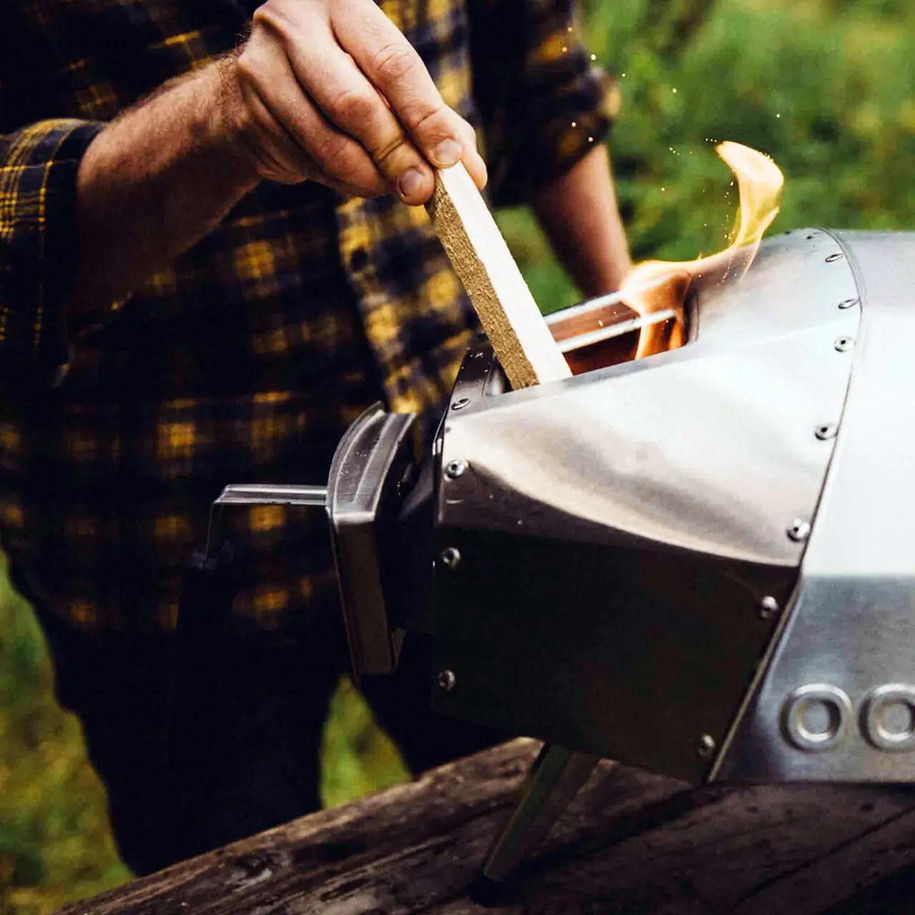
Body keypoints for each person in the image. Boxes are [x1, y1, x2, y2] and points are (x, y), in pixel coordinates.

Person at [0, 0, 630, 875]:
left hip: (466, 482)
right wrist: (213, 123)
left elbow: (536, 71)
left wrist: (625, 317)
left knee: (571, 846)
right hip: (161, 535)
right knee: (226, 877)